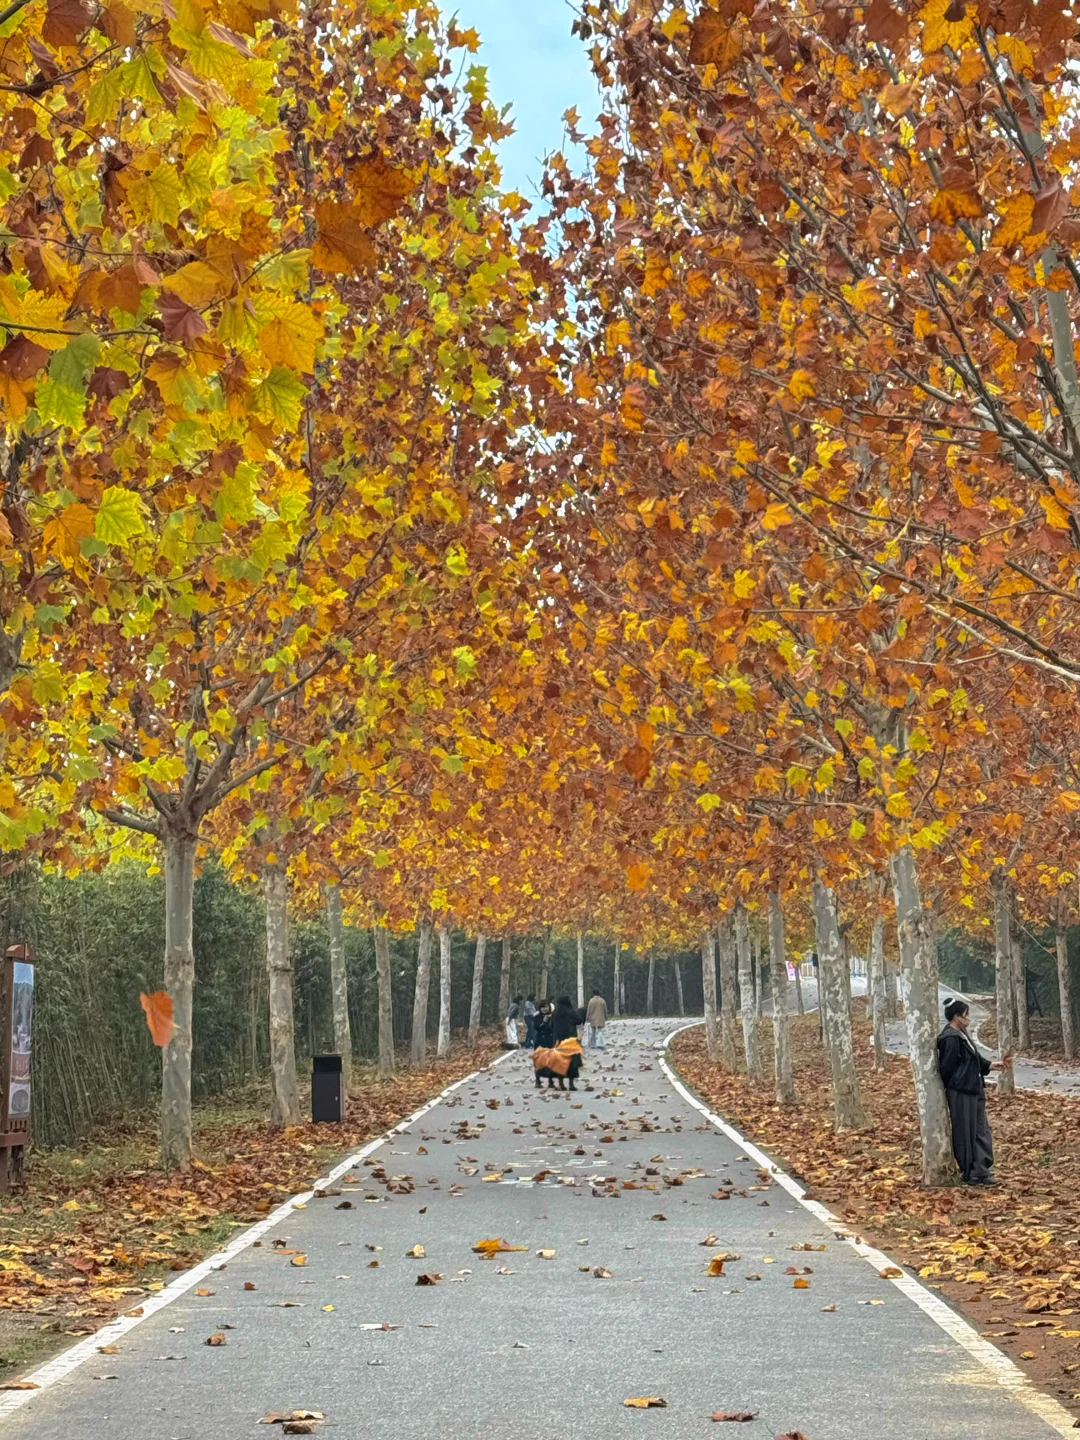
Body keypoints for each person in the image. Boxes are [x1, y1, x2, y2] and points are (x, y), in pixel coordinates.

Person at [937, 997, 998, 1185]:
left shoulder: (963, 1035)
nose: (968, 1018)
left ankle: (982, 1169)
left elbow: (974, 1058)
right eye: (965, 1015)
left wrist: (991, 1065)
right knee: (966, 1131)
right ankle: (970, 1171)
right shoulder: (951, 1038)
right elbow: (947, 1068)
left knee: (980, 1129)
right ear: (956, 1017)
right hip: (961, 1091)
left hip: (974, 1088)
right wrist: (959, 1083)